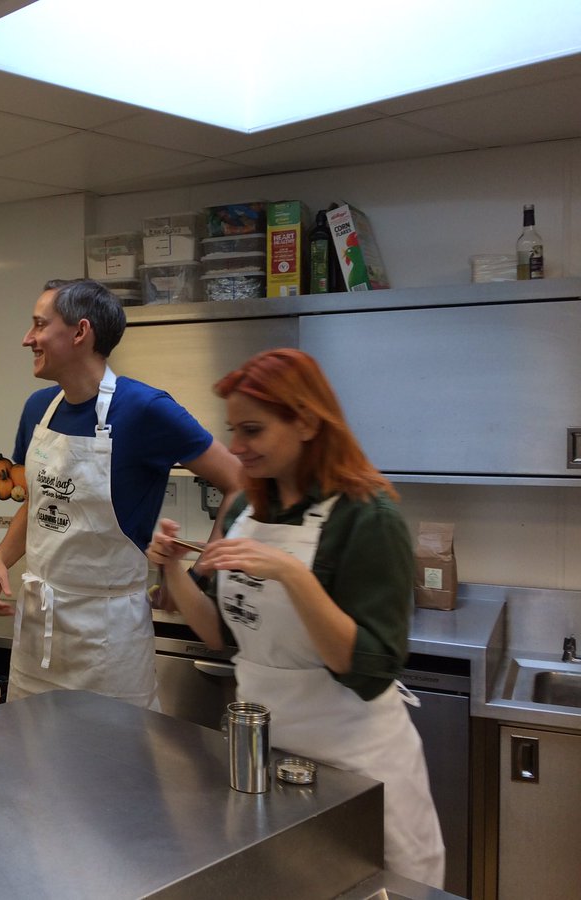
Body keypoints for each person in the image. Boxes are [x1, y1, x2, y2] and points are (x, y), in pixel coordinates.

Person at [146, 348, 445, 886]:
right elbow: (219, 633)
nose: (236, 448)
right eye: (232, 430)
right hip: (264, 762)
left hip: (358, 768)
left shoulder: (367, 516)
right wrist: (171, 570)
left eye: (253, 430)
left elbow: (369, 668)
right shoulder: (243, 512)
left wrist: (293, 574)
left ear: (306, 421)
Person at [0, 278, 240, 709]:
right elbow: (42, 499)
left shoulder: (145, 410)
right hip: (37, 636)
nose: (28, 338)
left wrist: (199, 575)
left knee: (112, 764)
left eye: (39, 325)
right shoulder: (37, 409)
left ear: (80, 333)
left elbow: (239, 483)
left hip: (108, 640)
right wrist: (0, 558)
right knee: (33, 760)